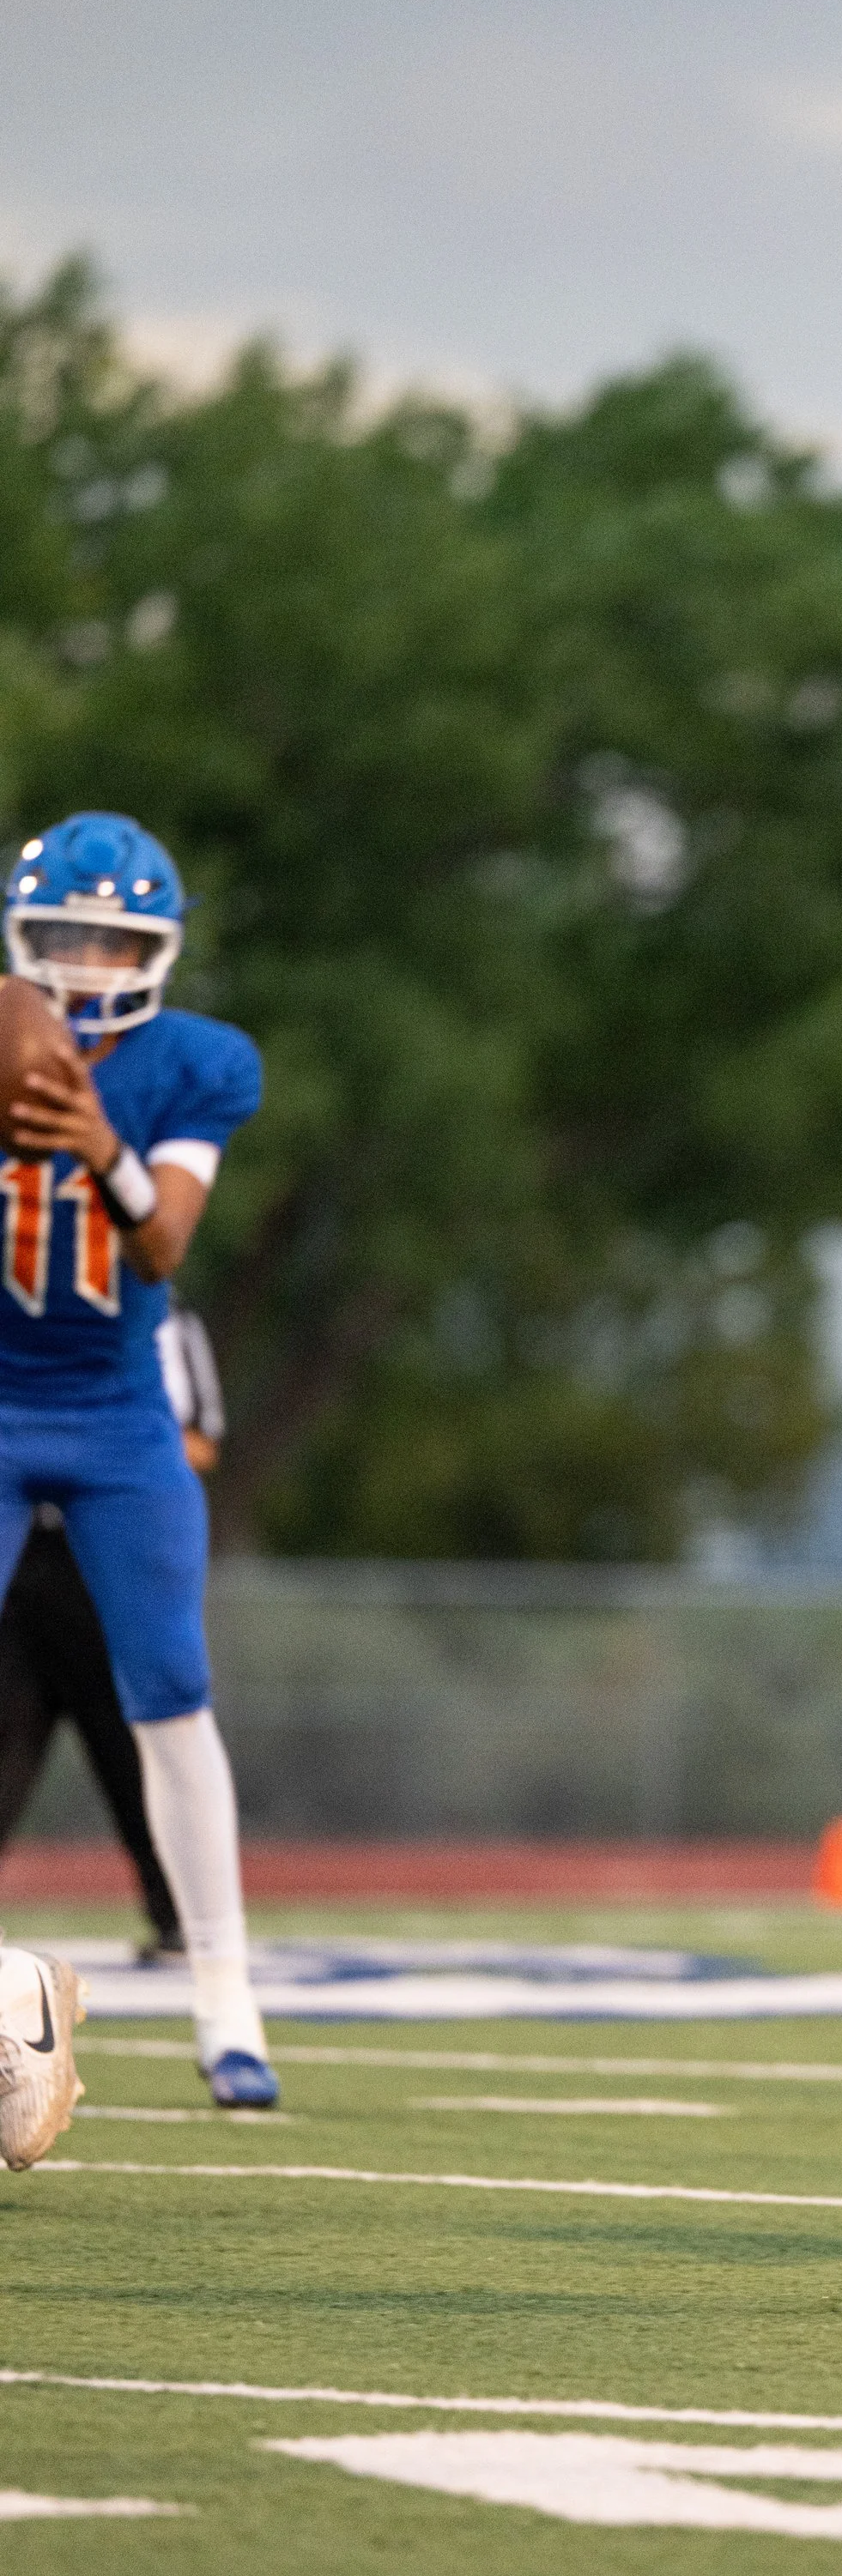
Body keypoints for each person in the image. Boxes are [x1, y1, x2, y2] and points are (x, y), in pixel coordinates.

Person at [0, 810, 276, 2108]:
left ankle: (226, 1994)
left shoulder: (197, 1062)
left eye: (114, 937)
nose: (87, 961)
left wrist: (95, 1145)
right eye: (63, 934)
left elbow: (162, 1245)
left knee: (170, 1689)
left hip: (116, 1412)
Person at [0, 1308, 226, 1966]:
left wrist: (106, 1452)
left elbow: (202, 1438)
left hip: (107, 1566)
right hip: (21, 1563)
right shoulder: (19, 1320)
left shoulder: (166, 1324)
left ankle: (184, 1921)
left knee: (144, 1749)